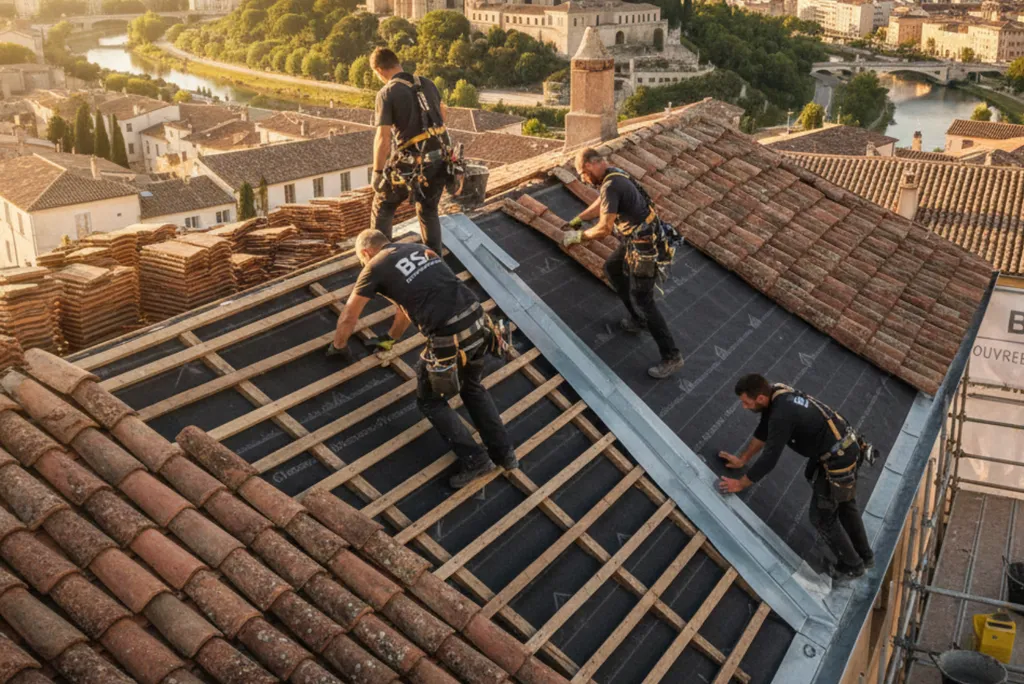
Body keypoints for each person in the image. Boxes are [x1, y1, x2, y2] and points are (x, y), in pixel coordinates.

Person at [327, 229, 517, 489]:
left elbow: (349, 315)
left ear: (365, 252)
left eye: (361, 259)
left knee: (430, 401)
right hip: (480, 323)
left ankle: (475, 460)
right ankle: (505, 453)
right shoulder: (414, 248)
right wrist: (391, 338)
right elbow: (407, 307)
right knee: (472, 387)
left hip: (451, 335)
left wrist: (339, 346)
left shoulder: (374, 267)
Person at [717, 374, 875, 579]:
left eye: (746, 403)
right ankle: (865, 555)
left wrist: (741, 483)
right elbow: (763, 431)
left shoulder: (782, 414)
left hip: (837, 460)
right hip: (845, 447)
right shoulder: (777, 393)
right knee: (846, 505)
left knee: (821, 517)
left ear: (761, 398)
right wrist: (742, 459)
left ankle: (852, 564)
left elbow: (770, 458)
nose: (744, 407)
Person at [561, 148, 684, 379]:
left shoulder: (611, 184)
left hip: (644, 248)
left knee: (644, 299)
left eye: (582, 175)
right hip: (635, 240)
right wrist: (579, 219)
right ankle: (638, 320)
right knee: (613, 268)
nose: (584, 180)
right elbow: (602, 203)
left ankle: (672, 356)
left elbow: (605, 228)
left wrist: (579, 236)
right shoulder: (613, 175)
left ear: (589, 165)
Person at [369, 47, 451, 254]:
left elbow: (383, 138)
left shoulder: (387, 92)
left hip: (413, 163)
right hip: (440, 159)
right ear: (397, 63)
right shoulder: (426, 82)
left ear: (378, 70)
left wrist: (377, 173)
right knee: (428, 211)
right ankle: (434, 260)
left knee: (384, 205)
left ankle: (382, 260)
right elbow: (443, 111)